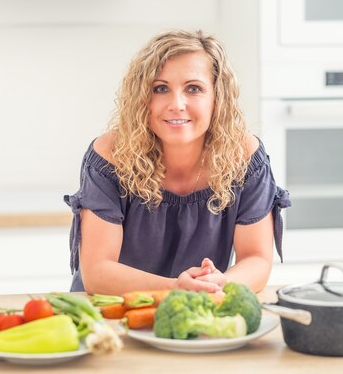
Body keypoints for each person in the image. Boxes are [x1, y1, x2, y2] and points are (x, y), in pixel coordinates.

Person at [64, 29, 290, 295]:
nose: (177, 104)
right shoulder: (110, 155)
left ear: (218, 98)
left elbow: (256, 259)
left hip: (200, 307)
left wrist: (221, 284)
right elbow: (98, 273)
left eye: (193, 88)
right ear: (142, 99)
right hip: (113, 310)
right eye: (160, 89)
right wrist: (178, 288)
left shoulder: (244, 156)